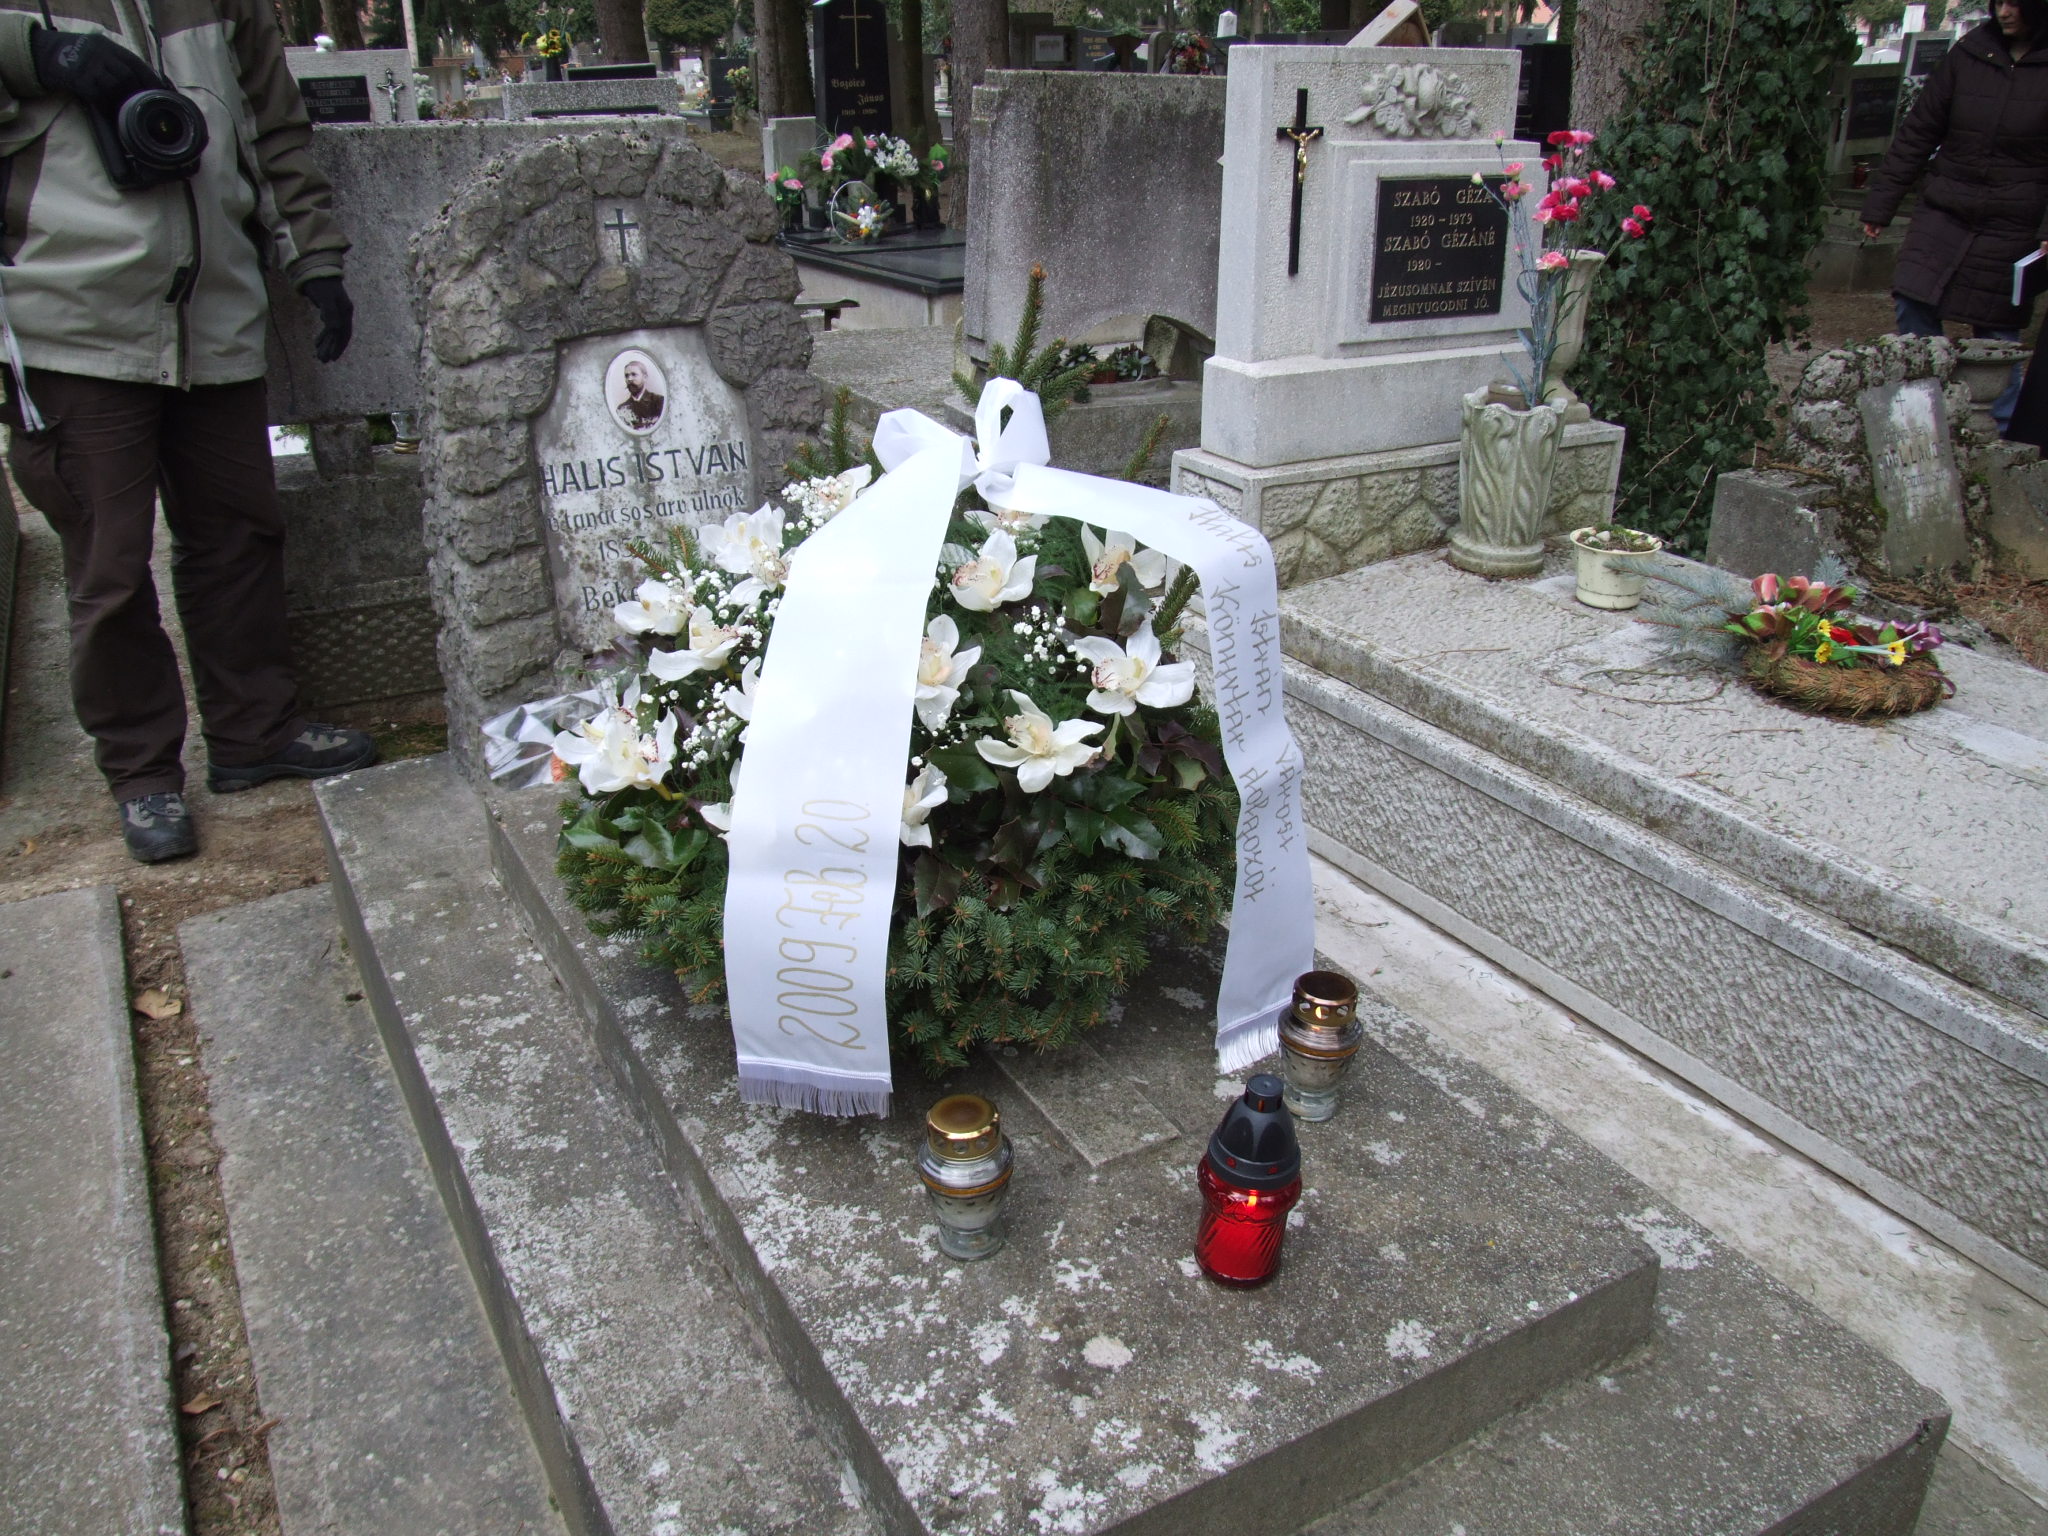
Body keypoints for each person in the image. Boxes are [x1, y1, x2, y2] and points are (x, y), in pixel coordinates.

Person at [0, 0, 376, 863]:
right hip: (70, 314)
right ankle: (142, 772)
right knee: (108, 563)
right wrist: (35, 53)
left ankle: (255, 731)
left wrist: (314, 256)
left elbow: (272, 124)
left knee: (240, 532)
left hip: (214, 308)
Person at [1861, 0, 2048, 436]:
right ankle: (1925, 412)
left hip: (2013, 222)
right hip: (1946, 207)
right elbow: (1919, 130)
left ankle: (1998, 437)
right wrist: (1881, 204)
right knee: (1913, 297)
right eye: (1999, 2)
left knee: (1997, 333)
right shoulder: (1969, 53)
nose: (2005, 12)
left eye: (2016, 4)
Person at [614, 358, 665, 431]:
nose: (629, 379)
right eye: (627, 376)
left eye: (634, 374)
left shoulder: (659, 402)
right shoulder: (622, 409)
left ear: (645, 377)